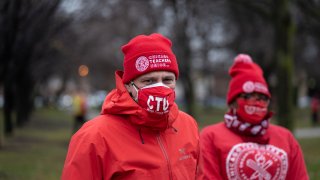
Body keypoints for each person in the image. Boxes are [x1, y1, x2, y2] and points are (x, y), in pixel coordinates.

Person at [61, 33, 200, 179]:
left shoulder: (188, 126)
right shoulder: (94, 137)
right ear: (128, 85)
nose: (160, 87)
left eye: (167, 79)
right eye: (148, 81)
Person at [199, 54, 308, 179]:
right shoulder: (211, 136)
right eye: (249, 96)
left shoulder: (286, 138)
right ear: (234, 101)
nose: (257, 102)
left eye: (263, 98)